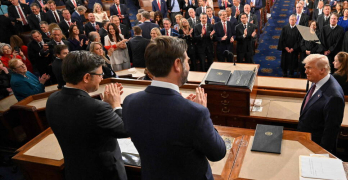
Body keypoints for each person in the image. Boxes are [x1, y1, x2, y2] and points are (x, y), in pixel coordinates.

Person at [123, 36, 226, 179]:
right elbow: (217, 153)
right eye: (187, 61)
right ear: (177, 64)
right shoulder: (196, 113)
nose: (188, 66)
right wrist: (202, 112)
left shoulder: (130, 102)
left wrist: (183, 104)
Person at [46, 51, 128, 180]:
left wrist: (105, 105)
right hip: (103, 173)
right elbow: (124, 130)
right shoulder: (96, 108)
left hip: (75, 170)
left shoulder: (52, 99)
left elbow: (83, 120)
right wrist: (116, 104)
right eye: (100, 74)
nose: (102, 78)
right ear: (86, 77)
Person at [298, 54, 345, 153]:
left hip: (315, 146)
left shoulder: (333, 96)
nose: (305, 71)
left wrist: (321, 153)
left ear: (322, 70)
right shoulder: (317, 81)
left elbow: (330, 131)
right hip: (306, 140)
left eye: (309, 68)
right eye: (305, 68)